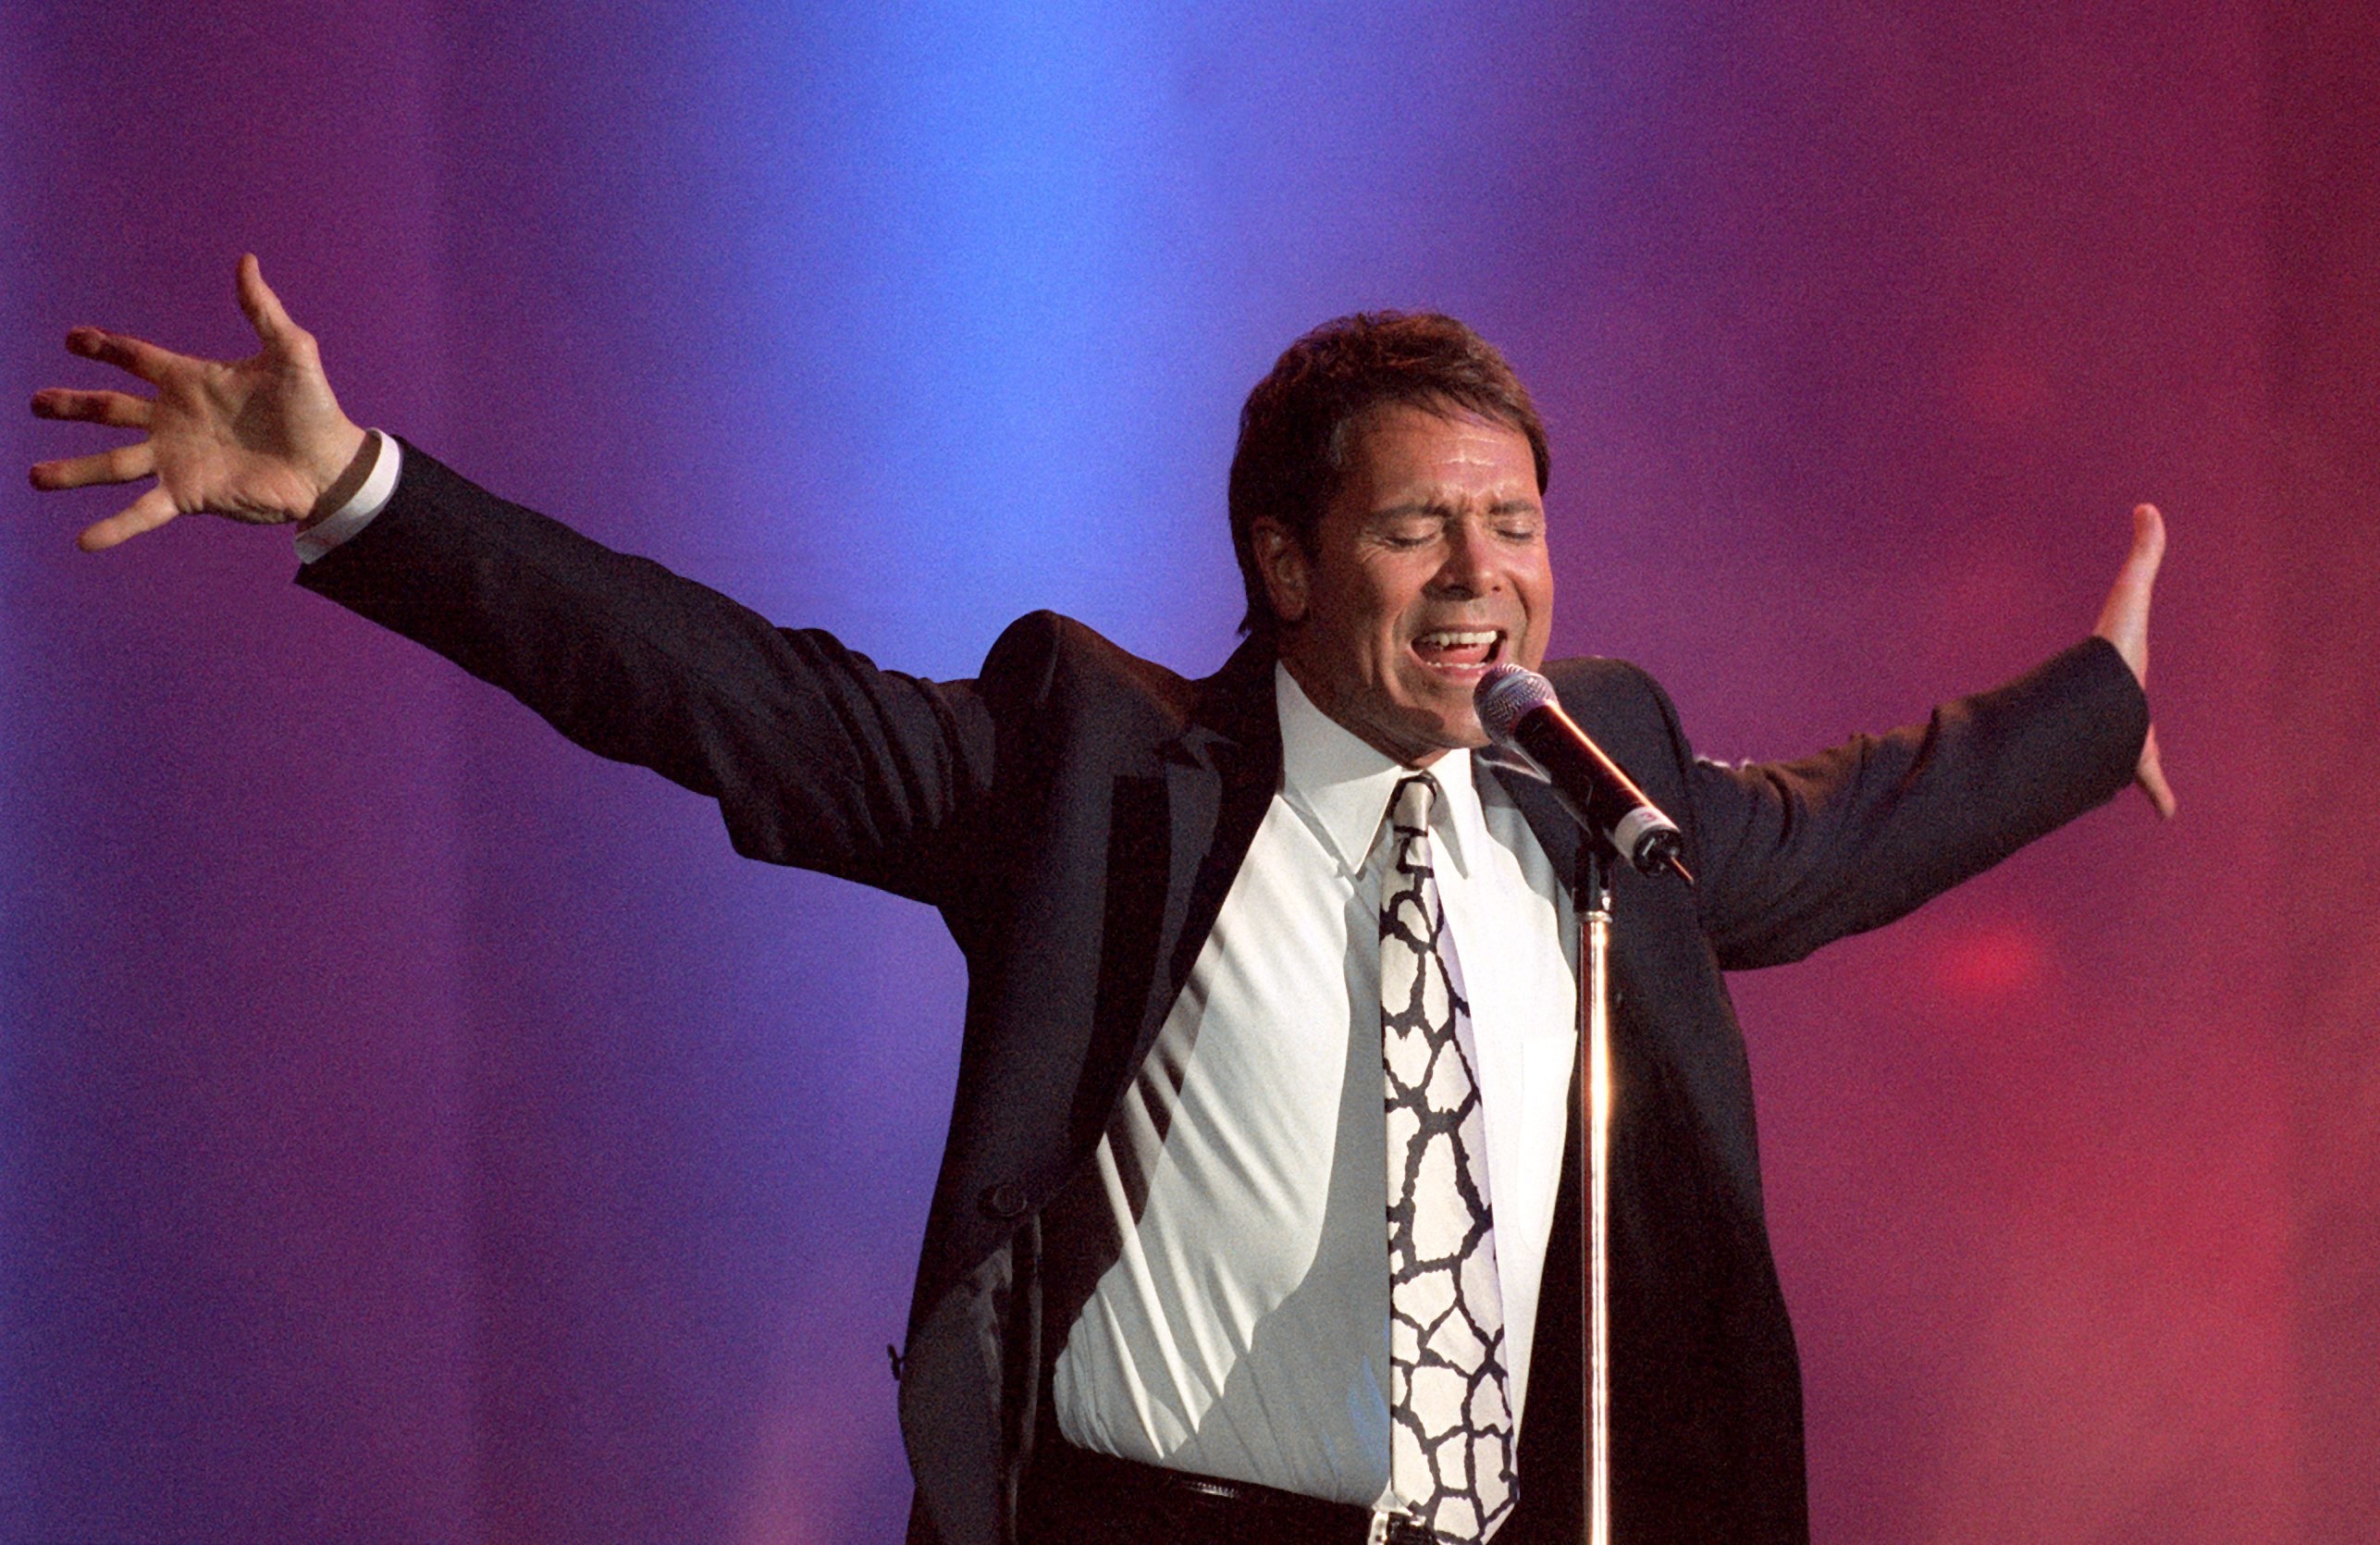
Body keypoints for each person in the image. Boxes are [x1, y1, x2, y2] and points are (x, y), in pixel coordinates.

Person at [29, 256, 2172, 1543]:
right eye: (1423, 527)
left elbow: (1840, 828)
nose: (1484, 576)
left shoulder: (1582, 783)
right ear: (1283, 556)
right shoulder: (1096, 763)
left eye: (1514, 523)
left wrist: (2094, 712)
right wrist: (360, 495)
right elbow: (734, 701)